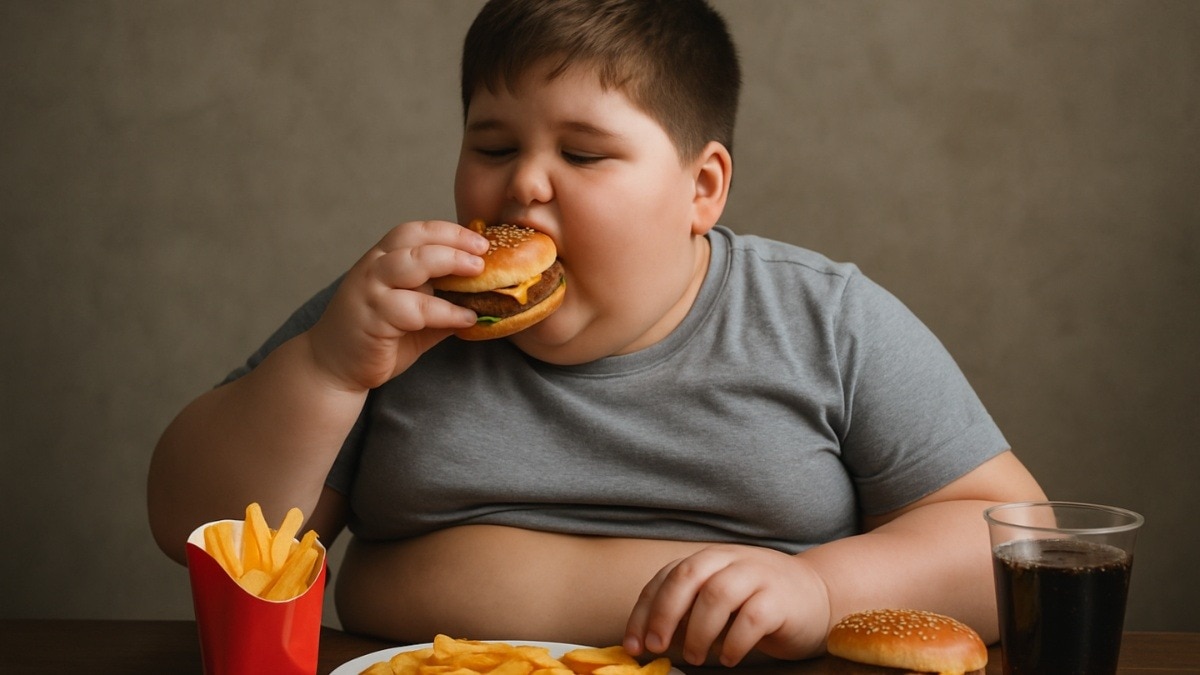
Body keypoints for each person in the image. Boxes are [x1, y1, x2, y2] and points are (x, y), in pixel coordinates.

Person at [147, 0, 1046, 666]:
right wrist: (327, 370)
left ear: (703, 189)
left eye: (582, 154)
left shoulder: (822, 320)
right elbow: (193, 525)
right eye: (493, 147)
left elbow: (1013, 539)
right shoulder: (388, 316)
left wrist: (817, 588)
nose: (526, 186)